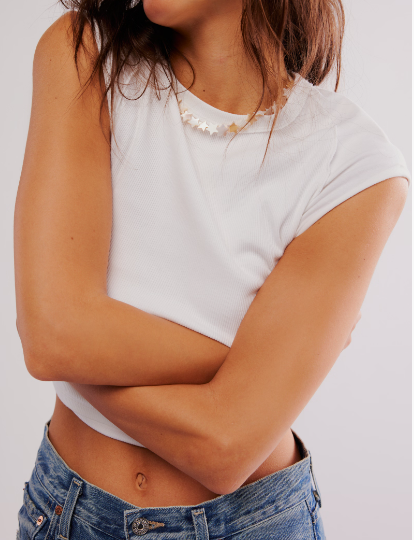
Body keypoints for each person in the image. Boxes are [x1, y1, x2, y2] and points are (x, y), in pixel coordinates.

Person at [14, 0, 410, 539]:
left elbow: (224, 449)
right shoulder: (86, 54)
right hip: (70, 514)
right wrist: (247, 366)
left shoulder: (357, 165)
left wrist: (79, 352)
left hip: (254, 524)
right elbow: (52, 337)